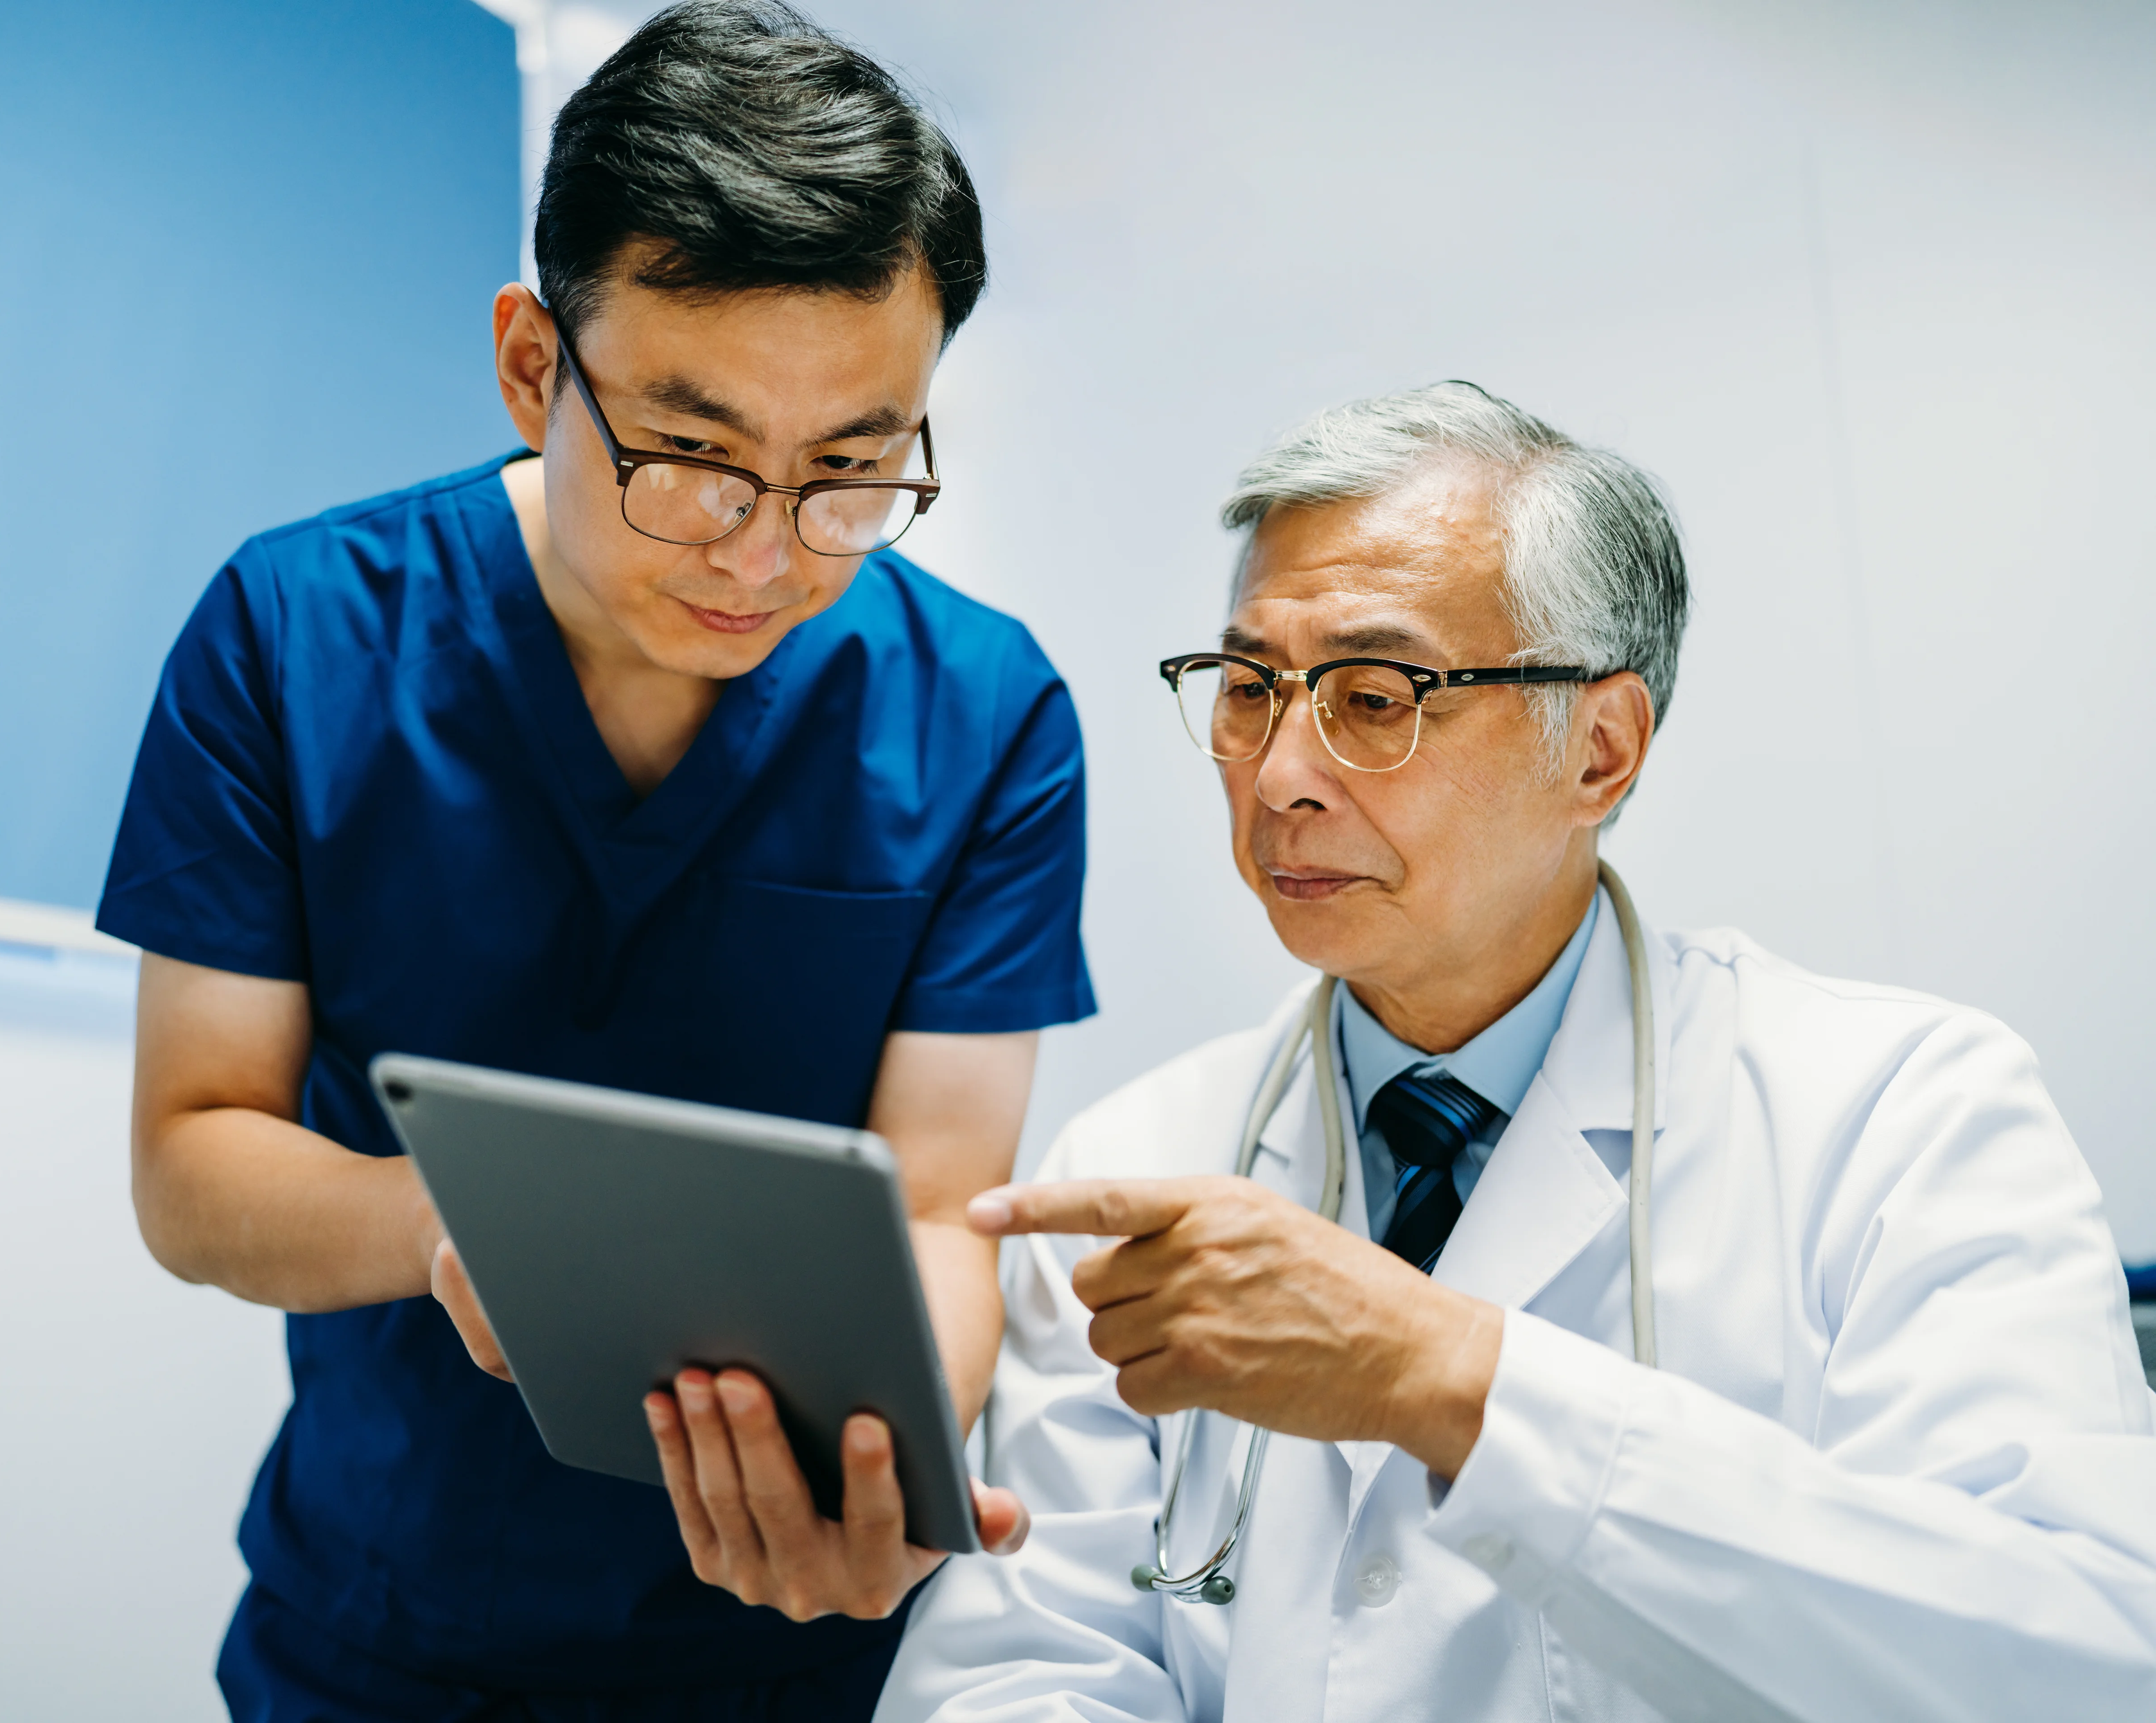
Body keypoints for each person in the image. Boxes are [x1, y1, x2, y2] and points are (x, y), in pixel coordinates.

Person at [878, 383, 2156, 1720]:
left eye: (1376, 697)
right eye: (1251, 690)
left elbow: (2071, 1662)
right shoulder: (1140, 1163)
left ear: (1600, 750)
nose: (1277, 777)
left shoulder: (1905, 1119)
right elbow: (1020, 1673)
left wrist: (1450, 1378)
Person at [100, 5, 1079, 1717]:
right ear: (534, 365)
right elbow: (195, 1164)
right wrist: (472, 1232)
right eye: (693, 461)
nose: (767, 555)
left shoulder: (987, 715)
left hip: (790, 1655)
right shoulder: (296, 632)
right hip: (376, 1632)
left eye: (851, 473)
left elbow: (942, 1206)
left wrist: (884, 1485)